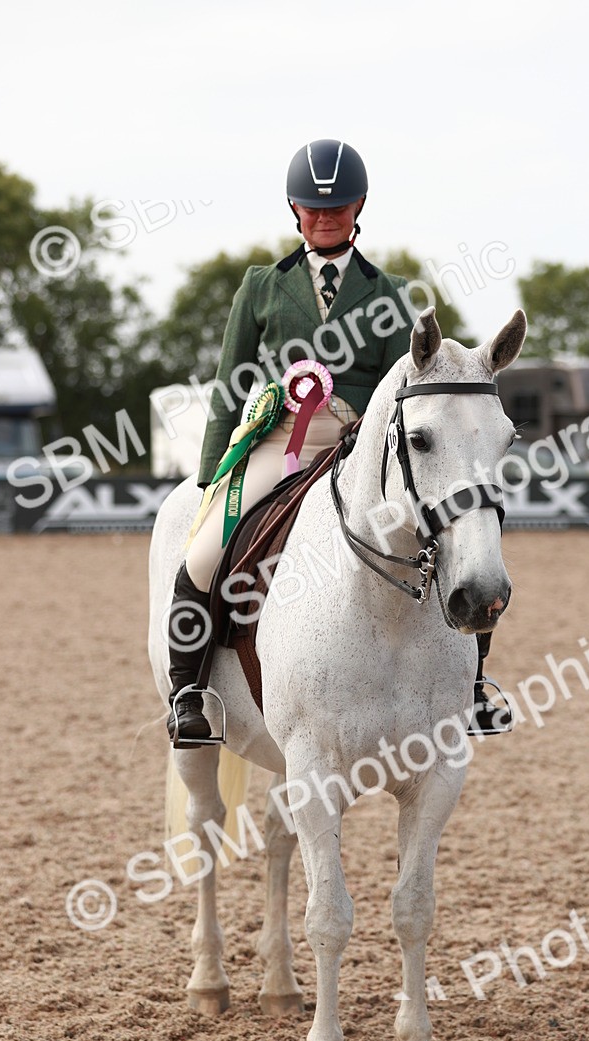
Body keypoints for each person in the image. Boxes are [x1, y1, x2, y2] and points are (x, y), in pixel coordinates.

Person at [166, 139, 505, 745]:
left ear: (359, 208)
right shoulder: (261, 287)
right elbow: (227, 379)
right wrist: (213, 472)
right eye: (313, 209)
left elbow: (412, 382)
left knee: (460, 531)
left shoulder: (392, 290)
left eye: (338, 208)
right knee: (204, 553)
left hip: (362, 444)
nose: (326, 219)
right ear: (295, 211)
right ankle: (190, 692)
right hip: (279, 441)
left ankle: (473, 683)